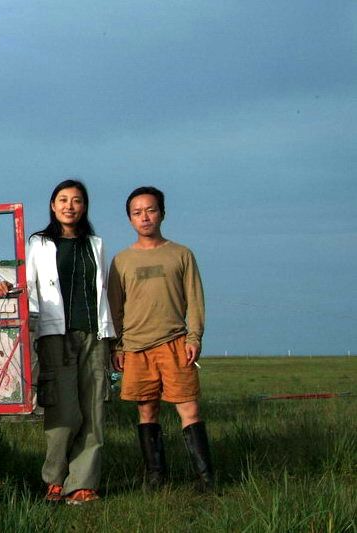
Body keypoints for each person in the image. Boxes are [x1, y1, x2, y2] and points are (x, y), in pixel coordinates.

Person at [0, 179, 114, 505]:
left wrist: (113, 338)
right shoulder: (40, 243)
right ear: (52, 205)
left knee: (93, 411)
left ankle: (83, 484)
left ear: (84, 206)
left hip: (94, 333)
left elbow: (103, 292)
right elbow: (27, 283)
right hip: (55, 334)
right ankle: (55, 479)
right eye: (63, 199)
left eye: (76, 200)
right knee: (64, 413)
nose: (69, 206)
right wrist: (6, 288)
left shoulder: (96, 244)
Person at [107, 186, 215, 491]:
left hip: (176, 343)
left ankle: (206, 479)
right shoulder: (121, 260)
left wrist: (194, 337)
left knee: (189, 409)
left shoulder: (181, 254)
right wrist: (118, 345)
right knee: (146, 410)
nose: (145, 217)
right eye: (137, 212)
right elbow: (115, 307)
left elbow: (195, 299)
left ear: (162, 213)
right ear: (130, 219)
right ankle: (156, 478)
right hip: (136, 347)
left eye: (150, 210)